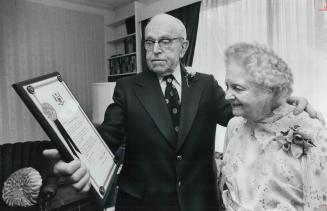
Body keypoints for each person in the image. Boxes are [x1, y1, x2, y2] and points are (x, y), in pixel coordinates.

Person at [43, 14, 322, 211]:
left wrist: (283, 105)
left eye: (164, 42)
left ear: (183, 46)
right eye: (149, 42)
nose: (154, 50)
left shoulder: (207, 84)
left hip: (199, 202)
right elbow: (107, 138)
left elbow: (245, 115)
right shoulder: (127, 89)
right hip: (143, 203)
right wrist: (77, 156)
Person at [220, 42, 327, 211]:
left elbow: (319, 203)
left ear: (267, 91)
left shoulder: (310, 131)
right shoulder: (235, 126)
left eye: (237, 88)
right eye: (227, 85)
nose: (226, 95)